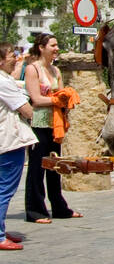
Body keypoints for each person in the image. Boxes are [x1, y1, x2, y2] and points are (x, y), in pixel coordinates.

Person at [23, 33, 82, 222]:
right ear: (41, 47)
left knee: (55, 167)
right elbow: (37, 99)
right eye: (53, 45)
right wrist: (56, 99)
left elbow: (61, 94)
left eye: (57, 45)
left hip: (55, 125)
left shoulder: (56, 71)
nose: (56, 48)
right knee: (37, 168)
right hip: (39, 124)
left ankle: (59, 208)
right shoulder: (33, 69)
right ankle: (35, 211)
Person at [0, 43, 37, 249]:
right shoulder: (3, 82)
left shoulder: (6, 79)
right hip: (8, 141)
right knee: (5, 189)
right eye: (11, 55)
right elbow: (26, 110)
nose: (16, 58)